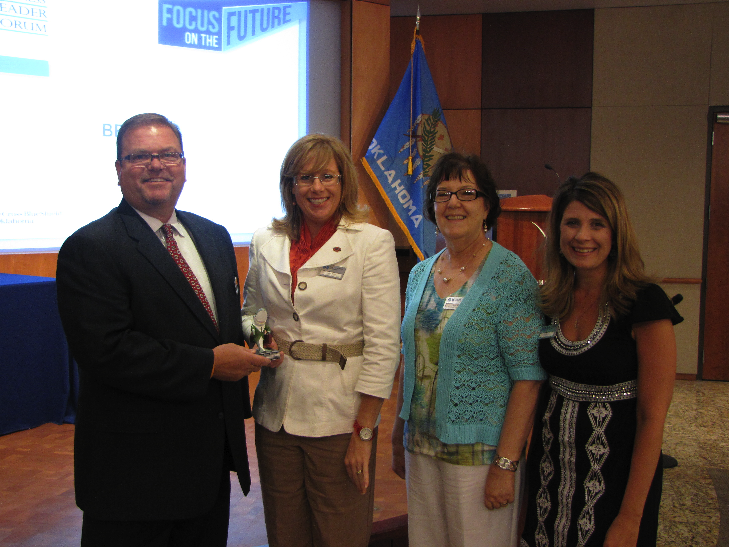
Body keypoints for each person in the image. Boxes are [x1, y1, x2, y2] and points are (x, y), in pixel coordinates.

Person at [56, 113, 273, 547]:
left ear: (184, 164)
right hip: (132, 478)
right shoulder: (90, 247)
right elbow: (107, 351)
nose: (156, 165)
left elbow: (216, 323)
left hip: (207, 466)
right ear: (118, 170)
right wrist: (210, 364)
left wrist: (259, 338)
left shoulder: (213, 236)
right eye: (139, 157)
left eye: (168, 154)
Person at [242, 134, 401, 547]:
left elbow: (384, 344)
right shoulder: (264, 240)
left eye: (327, 176)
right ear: (289, 186)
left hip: (341, 417)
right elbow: (252, 311)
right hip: (275, 414)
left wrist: (364, 432)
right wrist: (263, 347)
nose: (317, 188)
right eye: (305, 177)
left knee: (339, 533)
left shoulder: (371, 242)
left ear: (343, 182)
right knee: (284, 532)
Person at [391, 152, 547, 547]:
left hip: (480, 455)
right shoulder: (419, 274)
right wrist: (398, 432)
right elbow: (411, 360)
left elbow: (528, 379)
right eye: (443, 193)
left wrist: (506, 464)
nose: (453, 203)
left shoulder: (510, 277)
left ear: (487, 206)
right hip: (421, 445)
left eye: (467, 193)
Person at [520, 173, 683, 547]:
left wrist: (630, 517)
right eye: (572, 223)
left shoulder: (645, 304)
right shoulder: (550, 301)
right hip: (550, 477)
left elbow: (652, 418)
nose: (582, 236)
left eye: (597, 224)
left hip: (615, 483)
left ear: (616, 233)